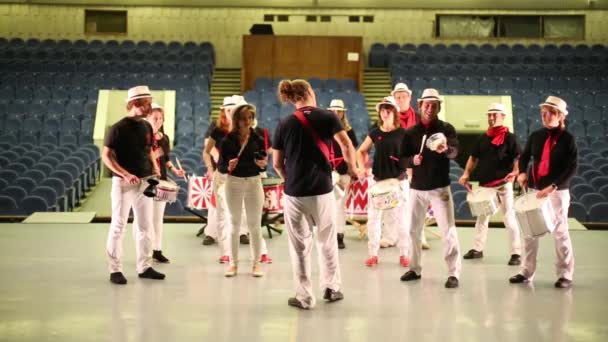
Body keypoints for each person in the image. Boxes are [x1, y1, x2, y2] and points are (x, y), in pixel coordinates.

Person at [273, 79, 360, 309]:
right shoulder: (329, 117)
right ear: (310, 92)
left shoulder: (284, 123)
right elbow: (346, 146)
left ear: (293, 98)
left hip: (295, 193)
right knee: (327, 241)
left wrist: (289, 180)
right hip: (322, 191)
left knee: (300, 247)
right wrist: (352, 168)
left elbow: (276, 164)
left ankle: (304, 297)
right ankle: (331, 289)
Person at [509, 96, 577, 289]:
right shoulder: (536, 135)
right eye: (543, 113)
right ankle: (526, 272)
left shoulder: (568, 139)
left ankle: (565, 274)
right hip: (534, 190)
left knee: (560, 232)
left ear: (560, 116)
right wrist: (522, 172)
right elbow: (523, 157)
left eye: (548, 113)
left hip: (557, 193)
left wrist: (553, 186)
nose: (544, 116)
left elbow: (572, 167)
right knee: (530, 233)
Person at [399, 88, 462, 289]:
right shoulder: (410, 133)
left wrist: (446, 150)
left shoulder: (447, 129)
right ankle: (415, 268)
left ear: (438, 108)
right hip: (416, 188)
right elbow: (401, 160)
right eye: (426, 104)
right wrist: (412, 160)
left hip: (439, 188)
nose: (430, 108)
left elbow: (455, 152)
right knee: (413, 231)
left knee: (448, 230)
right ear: (420, 106)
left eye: (434, 105)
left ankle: (454, 273)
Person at [102, 85, 165, 285]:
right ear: (135, 104)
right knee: (119, 226)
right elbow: (106, 156)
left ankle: (144, 267)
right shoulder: (117, 128)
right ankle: (115, 270)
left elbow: (148, 151)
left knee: (145, 226)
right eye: (147, 103)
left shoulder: (146, 126)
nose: (150, 106)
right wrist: (125, 174)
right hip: (123, 184)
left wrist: (155, 166)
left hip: (144, 182)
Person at [202, 96, 272, 264]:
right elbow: (207, 151)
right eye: (227, 109)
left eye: (233, 109)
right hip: (223, 175)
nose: (230, 112)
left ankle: (261, 252)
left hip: (248, 176)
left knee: (252, 216)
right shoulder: (218, 131)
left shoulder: (254, 133)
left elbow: (263, 156)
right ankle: (226, 252)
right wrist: (211, 169)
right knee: (223, 214)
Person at [459, 103, 522, 266]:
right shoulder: (482, 138)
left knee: (509, 217)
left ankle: (516, 253)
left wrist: (515, 172)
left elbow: (518, 158)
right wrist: (466, 173)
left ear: (503, 117)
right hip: (485, 185)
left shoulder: (510, 138)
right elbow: (473, 158)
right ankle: (477, 249)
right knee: (482, 218)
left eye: (495, 114)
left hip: (503, 184)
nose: (492, 117)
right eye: (490, 115)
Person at [357, 96, 410, 268]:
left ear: (394, 112)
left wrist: (410, 168)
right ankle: (373, 254)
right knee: (373, 219)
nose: (385, 112)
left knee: (402, 220)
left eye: (388, 109)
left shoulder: (403, 134)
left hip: (399, 182)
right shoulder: (375, 133)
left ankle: (404, 254)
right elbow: (361, 151)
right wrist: (362, 167)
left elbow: (411, 156)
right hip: (377, 182)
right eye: (382, 109)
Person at [218, 102, 267, 278]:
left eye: (250, 118)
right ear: (236, 120)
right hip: (234, 183)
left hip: (254, 182)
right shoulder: (227, 140)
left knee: (254, 226)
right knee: (234, 224)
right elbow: (221, 167)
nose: (247, 122)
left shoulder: (258, 139)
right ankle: (233, 264)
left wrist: (262, 165)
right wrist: (228, 166)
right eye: (243, 119)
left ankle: (256, 264)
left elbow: (262, 164)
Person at [142, 103, 185, 263]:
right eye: (155, 118)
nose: (158, 121)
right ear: (147, 118)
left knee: (158, 218)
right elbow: (145, 154)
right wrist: (155, 155)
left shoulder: (164, 138)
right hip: (146, 180)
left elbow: (165, 159)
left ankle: (157, 249)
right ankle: (145, 251)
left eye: (161, 118)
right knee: (145, 219)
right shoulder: (143, 136)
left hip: (161, 179)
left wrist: (175, 170)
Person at [392, 82, 431, 250]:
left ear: (409, 97)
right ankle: (395, 236)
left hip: (417, 166)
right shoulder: (389, 118)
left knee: (417, 204)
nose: (400, 99)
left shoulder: (418, 118)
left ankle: (420, 236)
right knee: (397, 205)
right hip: (397, 166)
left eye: (403, 96)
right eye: (397, 97)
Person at [327, 99, 358, 249]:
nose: (336, 113)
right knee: (329, 204)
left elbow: (353, 151)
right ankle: (330, 234)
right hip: (329, 172)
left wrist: (353, 168)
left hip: (344, 172)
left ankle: (339, 234)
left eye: (338, 111)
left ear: (342, 113)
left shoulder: (349, 131)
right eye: (333, 111)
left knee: (340, 204)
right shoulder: (324, 130)